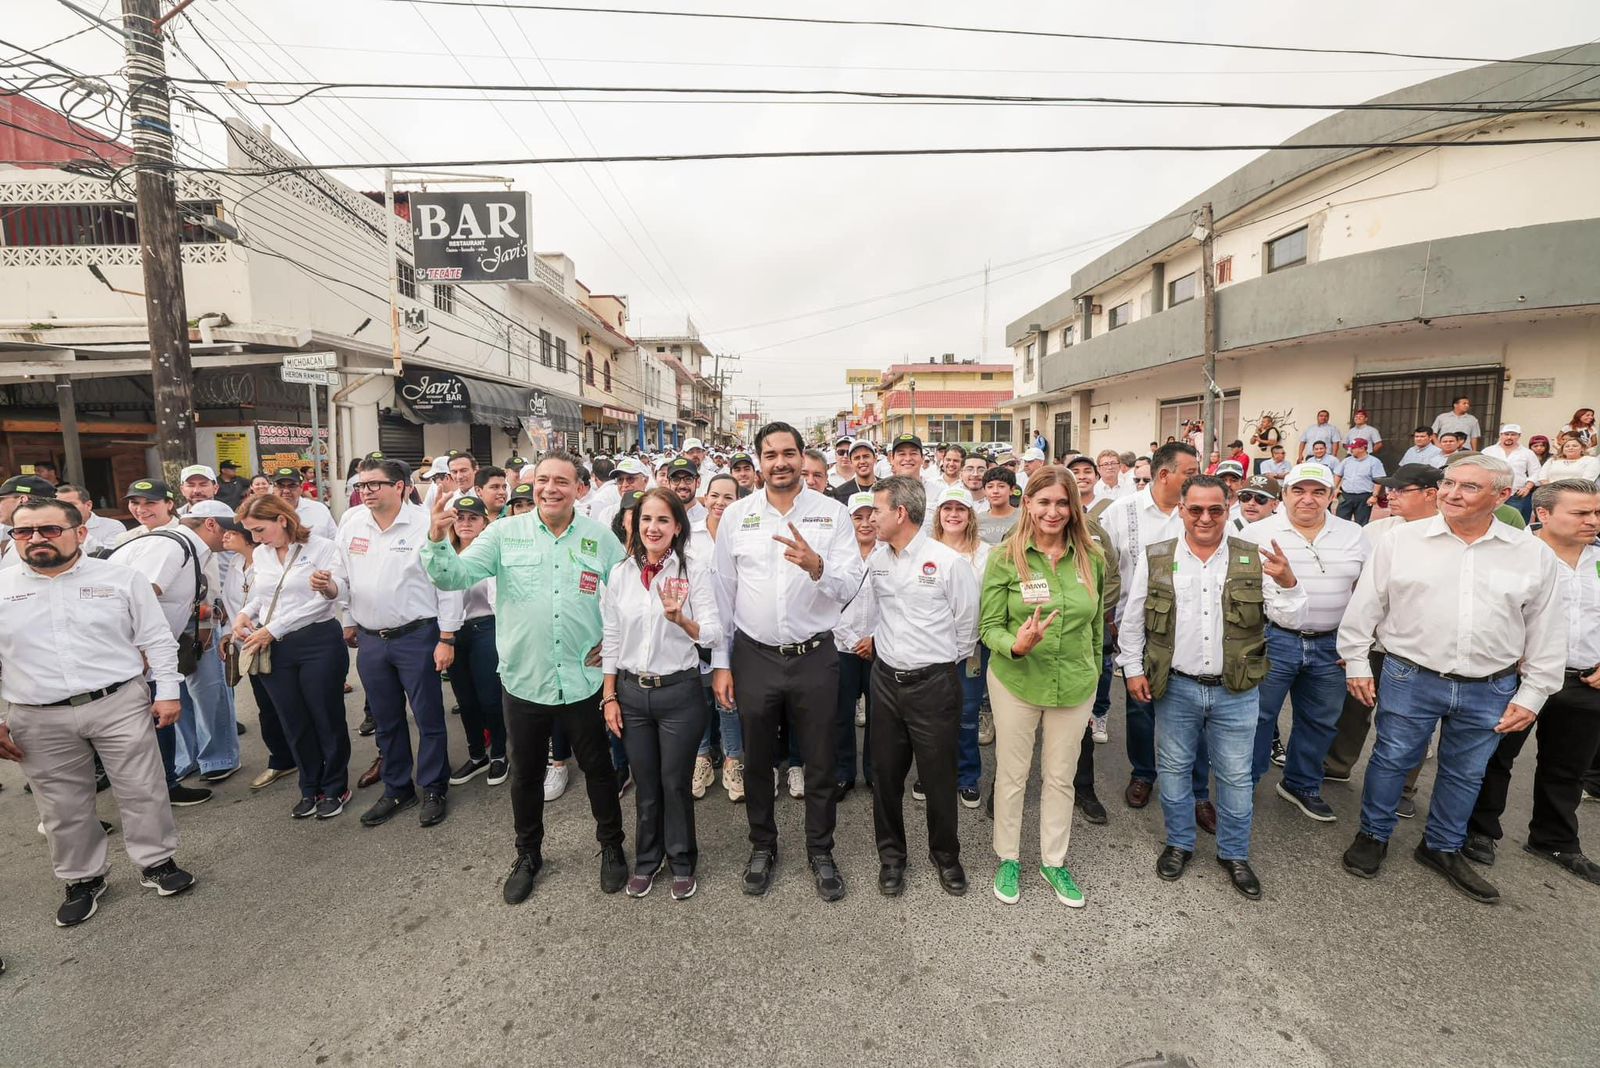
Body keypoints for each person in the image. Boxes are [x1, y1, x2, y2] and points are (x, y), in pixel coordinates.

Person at [1338, 454, 1565, 904]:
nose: (1452, 494)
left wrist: (1535, 693)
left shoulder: (1531, 553)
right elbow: (1367, 605)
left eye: (1469, 487)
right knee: (1392, 758)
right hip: (1410, 675)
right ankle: (1373, 834)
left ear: (1502, 496)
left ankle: (1442, 846)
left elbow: (1546, 627)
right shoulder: (1402, 541)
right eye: (1449, 483)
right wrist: (1357, 660)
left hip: (1492, 684)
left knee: (1466, 772)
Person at [419, 452, 629, 905]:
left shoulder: (598, 538)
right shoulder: (503, 533)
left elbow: (628, 594)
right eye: (543, 480)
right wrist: (437, 538)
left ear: (579, 489)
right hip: (525, 680)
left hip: (583, 679)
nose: (550, 489)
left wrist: (616, 644)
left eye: (561, 481)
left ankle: (611, 845)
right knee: (526, 776)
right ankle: (528, 855)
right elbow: (454, 576)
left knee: (598, 770)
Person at [0, 497, 196, 927]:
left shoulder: (121, 579)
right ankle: (83, 878)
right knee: (61, 805)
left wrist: (168, 692)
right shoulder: (2, 586)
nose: (36, 538)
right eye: (24, 531)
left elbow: (156, 638)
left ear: (80, 533)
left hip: (118, 702)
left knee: (142, 788)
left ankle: (156, 862)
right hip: (37, 714)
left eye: (50, 529)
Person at [1120, 475, 1304, 899]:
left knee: (1236, 777)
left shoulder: (1252, 556)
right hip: (1176, 688)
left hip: (1236, 690)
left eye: (1215, 510)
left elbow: (1292, 619)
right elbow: (1133, 619)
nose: (1205, 518)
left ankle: (1234, 853)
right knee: (1173, 770)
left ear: (1228, 508)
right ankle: (1179, 843)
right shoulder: (1158, 556)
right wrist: (1132, 669)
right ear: (1181, 510)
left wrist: (1289, 582)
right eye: (1196, 509)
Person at [711, 422, 866, 901]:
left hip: (814, 656)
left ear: (802, 457)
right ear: (759, 460)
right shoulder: (737, 515)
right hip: (754, 657)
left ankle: (821, 850)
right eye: (770, 454)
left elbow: (850, 583)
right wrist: (722, 663)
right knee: (758, 761)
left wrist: (817, 566)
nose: (780, 462)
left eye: (789, 453)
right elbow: (722, 593)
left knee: (820, 761)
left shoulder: (831, 514)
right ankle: (763, 846)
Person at [1462, 478, 1600, 885]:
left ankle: (1554, 840)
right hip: (1519, 678)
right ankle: (1479, 830)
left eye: (1596, 512)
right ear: (1543, 514)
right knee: (1495, 758)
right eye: (1581, 513)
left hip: (1583, 681)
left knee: (1567, 767)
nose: (1592, 520)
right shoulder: (1512, 554)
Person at [980, 466, 1107, 907]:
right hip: (1016, 680)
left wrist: (1094, 675)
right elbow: (988, 627)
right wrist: (1015, 645)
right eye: (1044, 502)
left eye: (1062, 502)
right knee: (1012, 774)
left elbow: (1096, 627)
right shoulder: (1004, 557)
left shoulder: (1092, 558)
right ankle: (1008, 857)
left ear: (1074, 507)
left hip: (1074, 683)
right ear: (1028, 504)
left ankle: (1054, 862)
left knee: (1060, 777)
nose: (1053, 512)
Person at [601, 488, 722, 901]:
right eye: (646, 519)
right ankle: (647, 860)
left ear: (677, 528)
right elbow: (612, 637)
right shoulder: (621, 573)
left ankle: (682, 861)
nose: (653, 528)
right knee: (646, 784)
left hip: (679, 694)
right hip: (632, 694)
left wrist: (681, 620)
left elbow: (713, 633)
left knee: (674, 783)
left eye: (663, 520)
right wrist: (609, 696)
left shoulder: (693, 570)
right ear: (635, 524)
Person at [860, 477, 978, 898]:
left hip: (934, 685)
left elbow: (967, 627)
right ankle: (892, 857)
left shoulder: (947, 562)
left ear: (900, 513)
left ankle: (946, 856)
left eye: (877, 510)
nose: (870, 518)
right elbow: (873, 612)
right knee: (885, 776)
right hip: (885, 682)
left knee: (938, 777)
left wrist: (934, 665)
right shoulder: (877, 559)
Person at [335, 459, 463, 831]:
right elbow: (343, 577)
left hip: (417, 637)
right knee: (387, 720)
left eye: (374, 484)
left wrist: (446, 637)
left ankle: (434, 786)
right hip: (372, 640)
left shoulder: (426, 524)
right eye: (362, 485)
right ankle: (397, 788)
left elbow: (448, 583)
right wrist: (340, 606)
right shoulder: (352, 524)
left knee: (428, 717)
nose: (366, 491)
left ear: (400, 486)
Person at [1238, 462, 1367, 822]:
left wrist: (1356, 645)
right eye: (1299, 490)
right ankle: (1244, 784)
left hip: (1332, 645)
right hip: (1273, 639)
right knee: (1259, 717)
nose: (1308, 499)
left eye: (1318, 492)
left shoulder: (1354, 534)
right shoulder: (1257, 533)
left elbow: (1367, 593)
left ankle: (1301, 784)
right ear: (1283, 495)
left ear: (1331, 496)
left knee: (1321, 720)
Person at [1097, 442, 1213, 819]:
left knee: (1198, 707)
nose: (1197, 477)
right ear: (1165, 475)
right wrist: (1109, 616)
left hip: (1196, 626)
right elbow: (1103, 568)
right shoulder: (1121, 512)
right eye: (1191, 472)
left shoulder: (1200, 513)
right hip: (1138, 625)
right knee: (1141, 704)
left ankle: (1198, 789)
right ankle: (1144, 773)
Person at [1322, 464, 1441, 817]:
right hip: (1371, 641)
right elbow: (1356, 587)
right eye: (1390, 489)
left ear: (1431, 494)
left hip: (1417, 648)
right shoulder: (1375, 531)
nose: (1391, 496)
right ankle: (1337, 764)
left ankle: (1402, 787)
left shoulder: (1447, 536)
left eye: (1401, 490)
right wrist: (1351, 642)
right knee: (1353, 708)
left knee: (1410, 722)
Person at [106, 479, 233, 803]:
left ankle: (172, 778)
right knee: (154, 713)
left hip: (154, 643)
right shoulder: (172, 546)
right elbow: (141, 596)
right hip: (136, 647)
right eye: (230, 530)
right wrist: (138, 647)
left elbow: (202, 591)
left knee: (172, 706)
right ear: (211, 525)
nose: (233, 538)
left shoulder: (180, 542)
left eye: (149, 502)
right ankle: (163, 786)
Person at [233, 495, 352, 820]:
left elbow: (324, 600)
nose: (255, 538)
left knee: (325, 717)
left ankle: (335, 786)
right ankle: (309, 785)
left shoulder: (322, 547)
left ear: (282, 520)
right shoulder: (262, 553)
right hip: (275, 646)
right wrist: (243, 615)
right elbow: (262, 594)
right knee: (293, 719)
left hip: (317, 642)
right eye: (250, 532)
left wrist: (273, 629)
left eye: (259, 529)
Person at [215, 514, 297, 792]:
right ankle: (282, 759)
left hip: (274, 640)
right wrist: (229, 632)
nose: (225, 536)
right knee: (266, 708)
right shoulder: (235, 564)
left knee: (287, 705)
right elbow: (233, 604)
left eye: (232, 532)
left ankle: (304, 757)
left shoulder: (267, 563)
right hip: (248, 646)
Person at [439, 495, 508, 788]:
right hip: (454, 633)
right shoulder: (445, 553)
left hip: (486, 628)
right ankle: (477, 754)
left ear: (484, 523)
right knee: (465, 700)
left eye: (473, 518)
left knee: (489, 697)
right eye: (460, 518)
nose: (465, 523)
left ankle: (500, 754)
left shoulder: (491, 553)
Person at [929, 485, 990, 810]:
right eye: (947, 508)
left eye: (960, 509)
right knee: (931, 715)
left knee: (966, 713)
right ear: (939, 514)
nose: (953, 515)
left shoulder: (987, 554)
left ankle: (967, 776)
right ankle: (933, 775)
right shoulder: (924, 549)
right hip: (929, 648)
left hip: (971, 649)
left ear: (970, 515)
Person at [832, 491, 879, 800]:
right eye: (857, 517)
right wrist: (852, 640)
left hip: (879, 648)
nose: (865, 523)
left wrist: (875, 639)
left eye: (870, 517)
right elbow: (827, 605)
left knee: (879, 715)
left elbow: (896, 605)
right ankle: (843, 773)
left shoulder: (890, 555)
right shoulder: (837, 557)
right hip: (842, 647)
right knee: (841, 714)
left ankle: (875, 773)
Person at [1481, 424, 1542, 521]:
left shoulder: (1527, 453)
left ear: (1519, 436)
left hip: (1516, 495)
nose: (1509, 437)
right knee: (1487, 520)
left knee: (1512, 521)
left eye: (1513, 434)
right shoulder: (1488, 451)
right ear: (1501, 435)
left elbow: (1536, 471)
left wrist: (1527, 487)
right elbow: (1479, 469)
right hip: (1491, 492)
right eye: (1506, 434)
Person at [53, 484, 126, 551]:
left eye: (71, 505)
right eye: (60, 506)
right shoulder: (53, 529)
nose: (65, 510)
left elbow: (112, 555)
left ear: (88, 505)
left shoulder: (113, 526)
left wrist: (80, 532)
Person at [270, 467, 336, 540]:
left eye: (292, 486)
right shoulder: (266, 511)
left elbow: (334, 539)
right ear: (273, 488)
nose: (286, 491)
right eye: (280, 486)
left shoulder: (319, 509)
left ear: (301, 488)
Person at [1335, 438, 1385, 525]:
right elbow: (1338, 474)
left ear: (1362, 448)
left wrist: (1374, 496)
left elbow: (1378, 480)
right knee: (1340, 521)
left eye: (1353, 448)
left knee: (1362, 523)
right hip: (1346, 495)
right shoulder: (1347, 461)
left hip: (1364, 497)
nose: (1350, 450)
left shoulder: (1374, 462)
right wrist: (1335, 488)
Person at [830, 439, 879, 503]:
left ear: (875, 459)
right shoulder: (840, 493)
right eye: (857, 458)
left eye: (866, 456)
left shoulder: (888, 487)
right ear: (851, 462)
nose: (862, 461)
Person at [979, 467, 1019, 544]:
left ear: (1012, 490)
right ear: (984, 491)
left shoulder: (1024, 518)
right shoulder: (977, 520)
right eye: (990, 487)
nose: (995, 491)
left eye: (1001, 486)